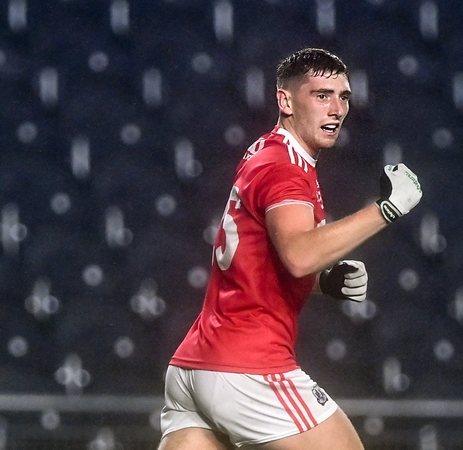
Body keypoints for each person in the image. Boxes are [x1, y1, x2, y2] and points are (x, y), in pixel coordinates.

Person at [158, 47, 422, 450]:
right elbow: (299, 255)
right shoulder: (285, 169)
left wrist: (326, 280)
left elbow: (263, 260)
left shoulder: (266, 152)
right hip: (247, 367)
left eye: (344, 97)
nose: (336, 109)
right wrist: (385, 210)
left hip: (194, 367)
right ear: (285, 100)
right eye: (321, 95)